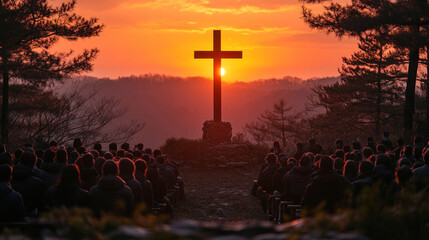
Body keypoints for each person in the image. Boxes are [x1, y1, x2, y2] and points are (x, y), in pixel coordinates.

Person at [11, 152, 45, 217]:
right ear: (34, 163)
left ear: (20, 161)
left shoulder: (8, 179)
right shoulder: (38, 183)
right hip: (30, 217)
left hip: (9, 217)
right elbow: (40, 205)